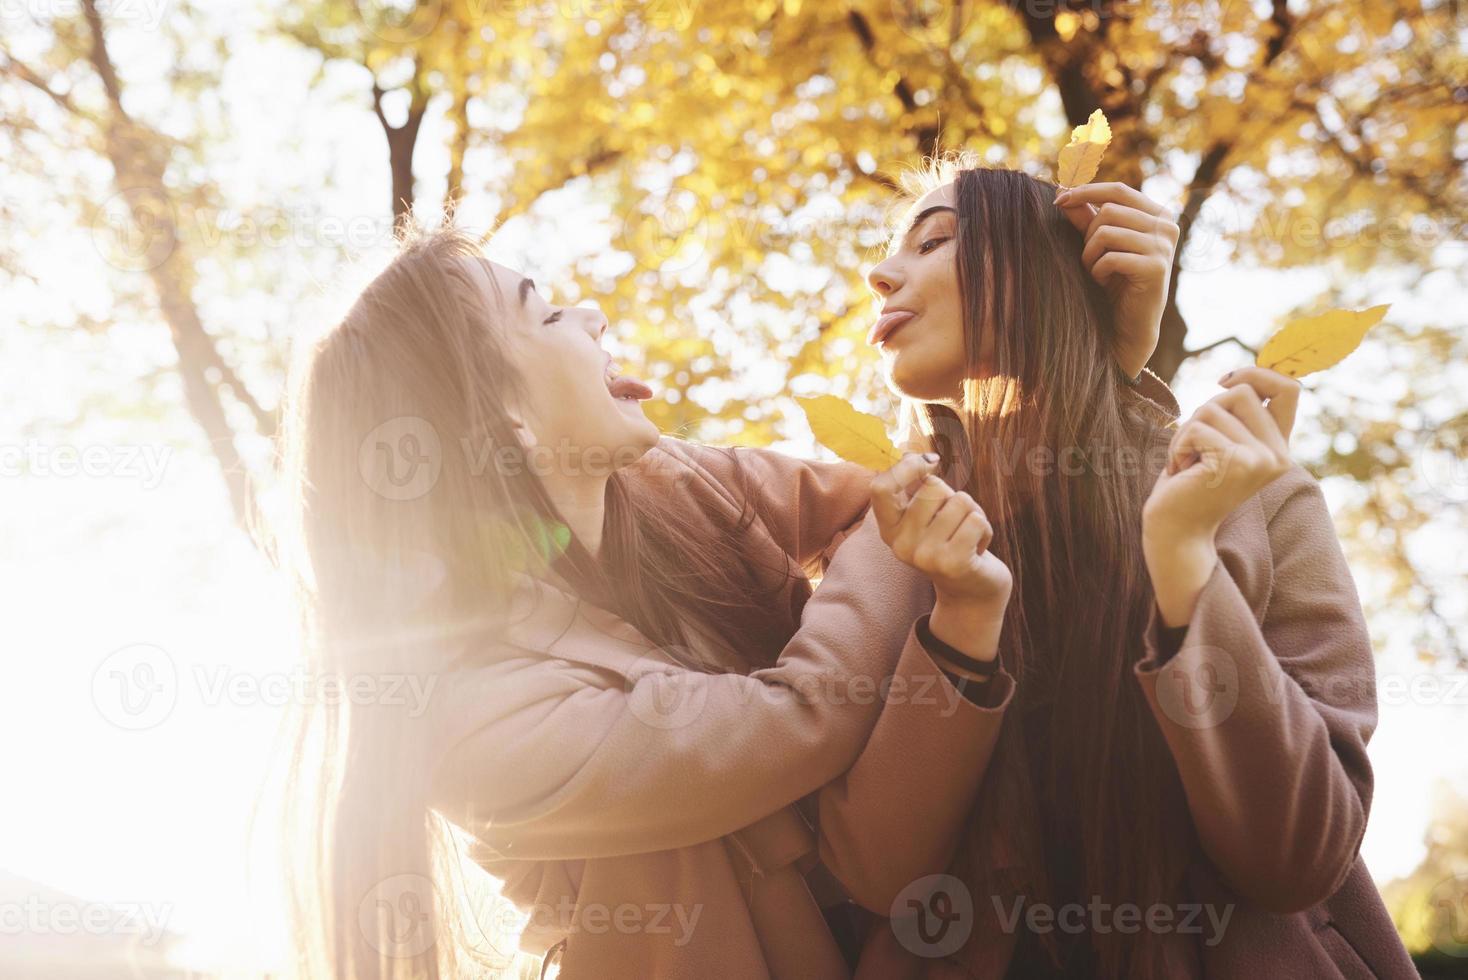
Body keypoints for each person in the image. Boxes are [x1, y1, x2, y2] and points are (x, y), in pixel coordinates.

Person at [843, 155, 1416, 978]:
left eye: (935, 240)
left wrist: (1185, 568)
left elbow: (1302, 853)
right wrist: (959, 627)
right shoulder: (891, 529)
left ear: (1042, 269)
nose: (879, 273)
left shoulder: (1251, 493)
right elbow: (875, 870)